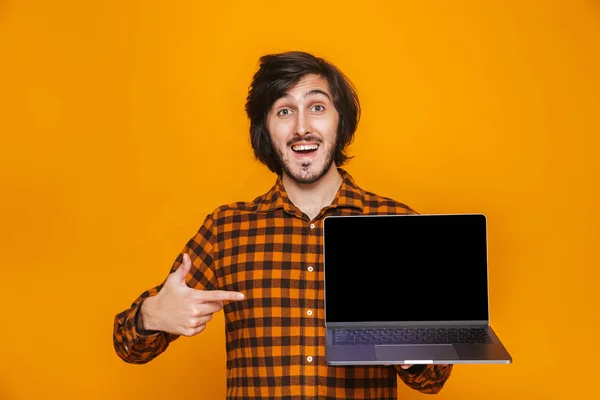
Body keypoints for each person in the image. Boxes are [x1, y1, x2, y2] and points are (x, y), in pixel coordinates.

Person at [113, 51, 453, 399]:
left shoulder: (398, 225)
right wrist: (150, 315)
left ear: (341, 120)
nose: (302, 126)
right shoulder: (226, 229)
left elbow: (433, 379)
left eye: (317, 107)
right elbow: (128, 346)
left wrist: (410, 349)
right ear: (266, 129)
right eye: (284, 111)